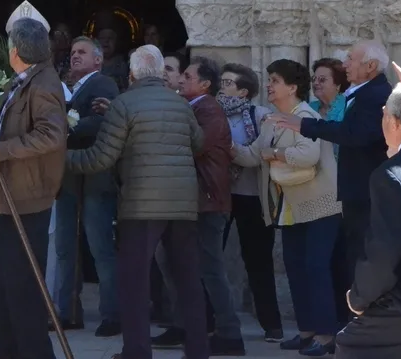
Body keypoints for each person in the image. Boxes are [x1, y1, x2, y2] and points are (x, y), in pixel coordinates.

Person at [68, 45, 209, 359]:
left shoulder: (124, 104)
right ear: (160, 73)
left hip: (141, 204)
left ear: (131, 74)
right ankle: (199, 350)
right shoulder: (181, 104)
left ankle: (137, 351)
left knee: (134, 281)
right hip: (183, 204)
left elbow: (100, 157)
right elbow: (198, 143)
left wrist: (61, 160)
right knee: (188, 278)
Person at [234, 60, 343, 356]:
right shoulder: (272, 119)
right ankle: (307, 332)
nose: (269, 85)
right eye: (269, 79)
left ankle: (326, 336)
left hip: (320, 205)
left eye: (275, 80)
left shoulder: (305, 115)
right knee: (296, 269)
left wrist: (274, 153)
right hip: (291, 207)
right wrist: (225, 145)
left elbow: (307, 155)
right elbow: (251, 156)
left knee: (316, 269)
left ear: (293, 88)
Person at [0, 17, 66, 359]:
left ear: (16, 51)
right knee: (1, 290)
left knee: (22, 293)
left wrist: (2, 150)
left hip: (26, 200)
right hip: (6, 197)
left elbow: (52, 135)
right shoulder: (22, 81)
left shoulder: (44, 84)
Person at [270, 40, 392, 279]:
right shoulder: (364, 93)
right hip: (356, 193)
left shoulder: (375, 95)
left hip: (366, 193)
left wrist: (306, 125)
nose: (345, 64)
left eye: (351, 59)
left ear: (371, 65)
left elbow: (354, 135)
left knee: (361, 262)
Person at [336, 76, 401, 359]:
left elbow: (382, 255)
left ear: (396, 123)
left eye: (384, 115)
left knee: (350, 344)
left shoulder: (393, 175)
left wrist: (358, 298)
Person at [160, 56, 243, 355]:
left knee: (211, 269)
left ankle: (230, 334)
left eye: (188, 76)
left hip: (208, 201)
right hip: (197, 201)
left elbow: (196, 145)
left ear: (206, 84)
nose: (181, 79)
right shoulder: (195, 107)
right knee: (184, 265)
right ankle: (187, 325)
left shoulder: (207, 108)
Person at [53, 36, 121, 335]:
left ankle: (112, 314)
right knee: (66, 247)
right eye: (72, 52)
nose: (75, 56)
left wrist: (64, 127)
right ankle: (68, 312)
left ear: (98, 59)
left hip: (94, 176)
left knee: (100, 247)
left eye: (82, 52)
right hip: (68, 178)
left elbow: (102, 123)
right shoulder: (66, 87)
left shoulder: (103, 84)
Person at [217, 63, 283, 342]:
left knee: (258, 262)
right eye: (221, 82)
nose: (222, 87)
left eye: (229, 83)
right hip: (220, 195)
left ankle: (272, 324)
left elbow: (259, 154)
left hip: (253, 196)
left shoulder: (261, 116)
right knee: (208, 258)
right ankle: (209, 322)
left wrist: (230, 150)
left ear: (244, 91)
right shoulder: (211, 112)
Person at [309, 57, 352, 325]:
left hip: (344, 193)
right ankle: (322, 325)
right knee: (319, 262)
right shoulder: (309, 110)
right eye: (314, 79)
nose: (316, 83)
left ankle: (343, 322)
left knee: (341, 261)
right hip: (314, 193)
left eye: (322, 79)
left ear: (338, 85)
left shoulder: (347, 109)